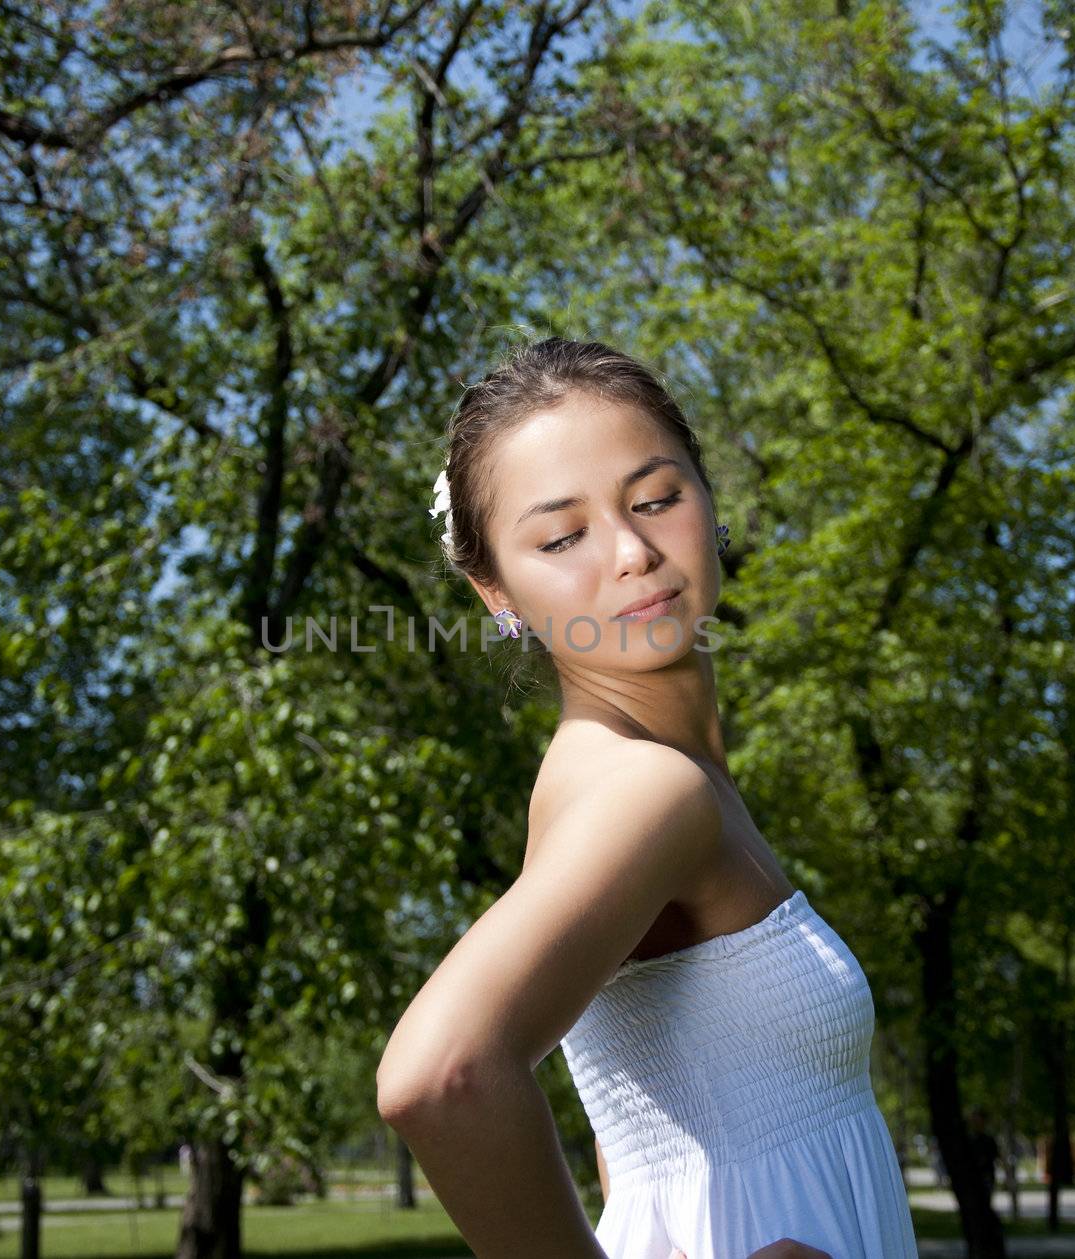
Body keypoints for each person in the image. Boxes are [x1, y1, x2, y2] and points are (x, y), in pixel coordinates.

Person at [375, 337, 919, 1259]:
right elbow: (440, 1075)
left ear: (711, 505)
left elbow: (636, 1135)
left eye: (656, 498)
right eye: (562, 536)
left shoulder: (655, 774)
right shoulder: (645, 789)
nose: (632, 552)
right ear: (495, 591)